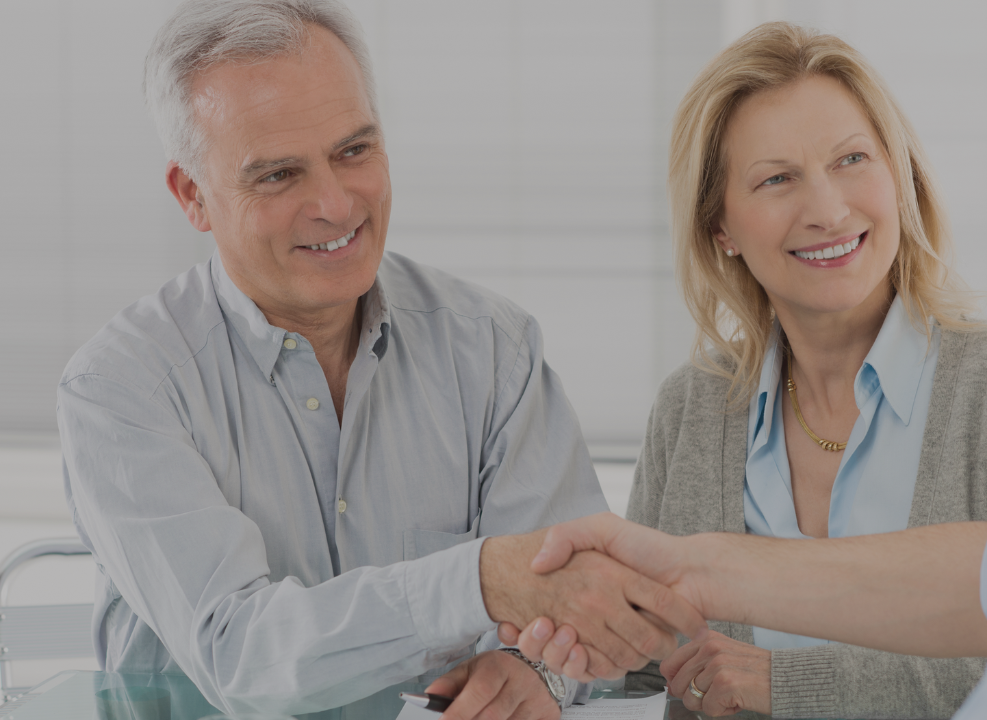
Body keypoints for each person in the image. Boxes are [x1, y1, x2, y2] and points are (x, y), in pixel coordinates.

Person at [516, 0, 987, 717]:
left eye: (852, 159)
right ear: (721, 226)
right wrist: (572, 648)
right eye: (778, 179)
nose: (825, 207)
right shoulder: (692, 404)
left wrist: (792, 682)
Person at [57, 1, 702, 717]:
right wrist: (481, 581)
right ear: (193, 195)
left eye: (354, 151)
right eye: (277, 176)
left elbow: (582, 610)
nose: (335, 203)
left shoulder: (493, 348)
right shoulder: (120, 389)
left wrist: (535, 671)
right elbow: (239, 652)